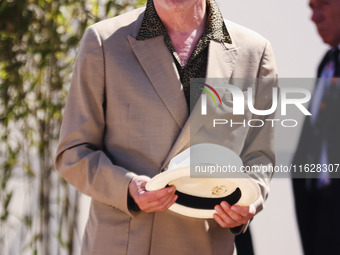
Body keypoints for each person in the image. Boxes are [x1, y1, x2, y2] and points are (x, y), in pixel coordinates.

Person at [55, 0, 277, 254]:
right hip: (124, 243)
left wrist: (247, 204)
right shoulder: (104, 42)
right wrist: (126, 188)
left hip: (207, 242)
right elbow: (73, 152)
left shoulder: (254, 52)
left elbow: (260, 156)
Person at [292, 0, 340, 254]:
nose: (315, 17)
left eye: (322, 4)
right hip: (322, 213)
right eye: (311, 8)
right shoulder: (328, 63)